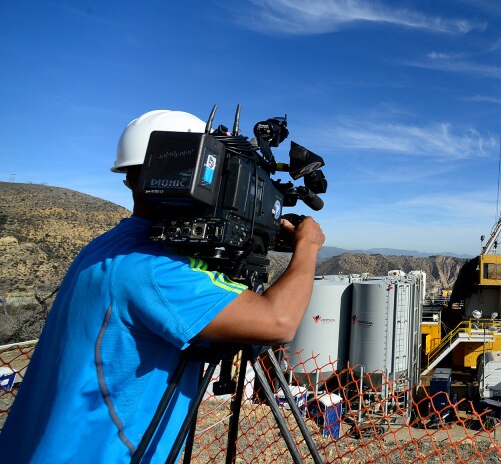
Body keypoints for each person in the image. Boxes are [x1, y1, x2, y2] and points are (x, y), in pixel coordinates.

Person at [0, 110, 325, 463]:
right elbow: (279, 322)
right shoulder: (155, 270)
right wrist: (308, 246)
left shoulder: (109, 247)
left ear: (130, 179)